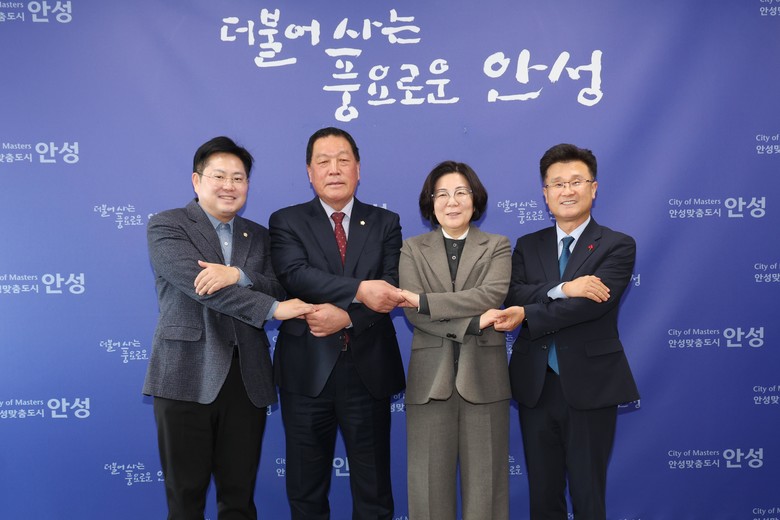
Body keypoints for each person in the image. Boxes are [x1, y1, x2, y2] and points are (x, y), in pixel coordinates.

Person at [143, 136, 313, 519]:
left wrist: (237, 274)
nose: (229, 186)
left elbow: (278, 284)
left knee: (239, 498)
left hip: (246, 378)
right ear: (196, 180)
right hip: (185, 374)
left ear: (247, 185)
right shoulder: (167, 225)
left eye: (238, 178)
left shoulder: (261, 235)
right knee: (185, 500)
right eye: (219, 176)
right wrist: (273, 309)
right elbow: (203, 289)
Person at [494, 143, 639, 520]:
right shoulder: (528, 245)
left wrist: (531, 310)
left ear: (594, 188)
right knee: (543, 496)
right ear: (545, 193)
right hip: (535, 385)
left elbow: (592, 305)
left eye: (576, 181)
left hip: (591, 385)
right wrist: (565, 288)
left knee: (588, 495)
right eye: (557, 183)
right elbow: (513, 294)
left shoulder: (618, 245)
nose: (567, 190)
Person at [268, 127, 407, 520]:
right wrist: (361, 289)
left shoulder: (385, 222)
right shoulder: (287, 220)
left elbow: (391, 284)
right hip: (306, 372)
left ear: (358, 169)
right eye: (323, 161)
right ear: (309, 172)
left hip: (368, 371)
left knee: (374, 490)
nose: (334, 169)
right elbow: (296, 275)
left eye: (343, 160)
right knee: (306, 490)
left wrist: (346, 316)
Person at [398, 161, 512, 520]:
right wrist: (474, 323)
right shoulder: (411, 248)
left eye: (461, 192)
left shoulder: (497, 245)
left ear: (474, 199)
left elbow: (491, 294)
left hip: (486, 380)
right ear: (430, 202)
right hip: (430, 381)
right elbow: (413, 313)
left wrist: (427, 302)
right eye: (442, 194)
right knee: (428, 494)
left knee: (487, 495)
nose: (452, 201)